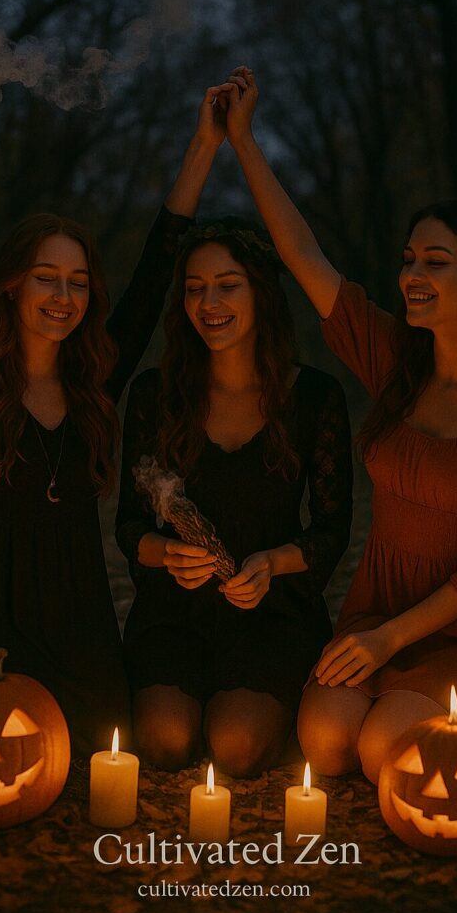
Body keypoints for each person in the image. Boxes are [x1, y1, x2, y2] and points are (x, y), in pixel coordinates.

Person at [221, 65, 457, 782]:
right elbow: (301, 257)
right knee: (326, 744)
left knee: (386, 753)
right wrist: (243, 141)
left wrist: (387, 643)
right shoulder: (396, 371)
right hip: (378, 607)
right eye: (408, 259)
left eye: (435, 262)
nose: (412, 274)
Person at [0, 83, 233, 754]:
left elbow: (156, 267)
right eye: (46, 277)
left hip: (73, 615)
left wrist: (204, 144)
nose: (63, 294)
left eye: (78, 281)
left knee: (95, 748)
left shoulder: (96, 380)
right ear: (12, 285)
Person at [115, 214, 353, 778]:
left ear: (262, 292)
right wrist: (165, 553)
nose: (208, 302)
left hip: (270, 612)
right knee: (166, 743)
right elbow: (128, 524)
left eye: (227, 284)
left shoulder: (315, 396)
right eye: (194, 288)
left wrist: (272, 564)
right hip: (175, 611)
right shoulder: (154, 394)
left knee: (238, 748)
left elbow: (331, 529)